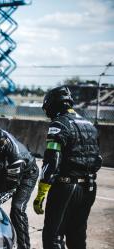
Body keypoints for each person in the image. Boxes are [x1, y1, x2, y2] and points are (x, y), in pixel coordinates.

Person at [33, 86, 102, 249]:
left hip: (66, 186)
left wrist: (41, 193)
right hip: (90, 187)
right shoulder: (90, 125)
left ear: (53, 105)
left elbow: (52, 161)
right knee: (77, 235)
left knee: (52, 236)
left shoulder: (59, 124)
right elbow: (97, 159)